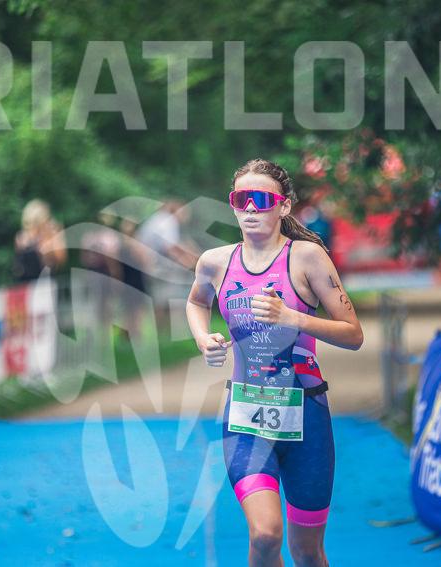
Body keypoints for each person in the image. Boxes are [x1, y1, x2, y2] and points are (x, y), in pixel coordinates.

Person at [186, 158, 363, 567]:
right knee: (265, 535)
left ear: (283, 206)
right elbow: (196, 301)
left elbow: (353, 335)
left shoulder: (307, 258)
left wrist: (293, 318)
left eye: (261, 199)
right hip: (246, 416)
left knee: (307, 552)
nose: (250, 208)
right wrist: (202, 338)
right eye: (241, 199)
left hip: (307, 418)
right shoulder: (214, 261)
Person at [136, 200, 199, 329]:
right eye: (184, 212)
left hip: (148, 267)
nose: (185, 217)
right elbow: (170, 247)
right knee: (169, 302)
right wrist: (191, 264)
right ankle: (171, 332)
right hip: (160, 269)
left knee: (159, 302)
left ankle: (164, 334)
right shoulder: (168, 222)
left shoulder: (155, 220)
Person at [13, 199, 67, 282]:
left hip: (45, 281)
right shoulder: (22, 237)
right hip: (27, 282)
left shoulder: (50, 236)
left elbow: (60, 259)